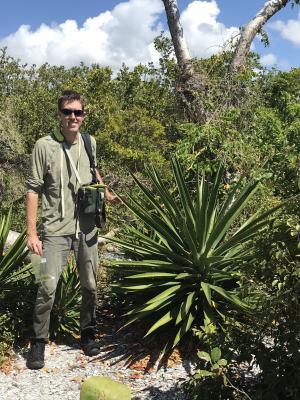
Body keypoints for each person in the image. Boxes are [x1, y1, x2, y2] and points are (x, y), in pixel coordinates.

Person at [25, 90, 117, 370]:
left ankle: (88, 332)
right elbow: (32, 190)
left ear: (83, 115)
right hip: (55, 228)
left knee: (90, 285)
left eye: (78, 112)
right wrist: (32, 232)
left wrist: (106, 191)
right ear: (59, 115)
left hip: (86, 228)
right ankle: (39, 340)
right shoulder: (44, 146)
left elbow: (93, 171)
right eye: (67, 112)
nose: (73, 117)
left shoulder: (90, 142)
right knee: (47, 286)